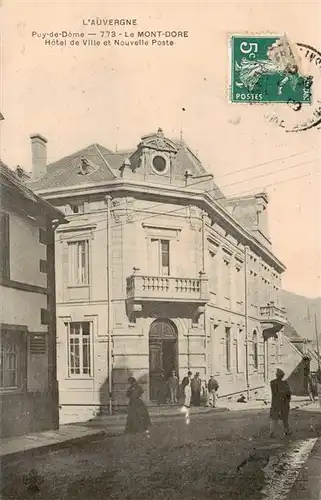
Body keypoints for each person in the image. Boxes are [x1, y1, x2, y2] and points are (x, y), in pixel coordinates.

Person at [269, 368, 292, 438]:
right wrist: (287, 399)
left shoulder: (272, 382)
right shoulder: (285, 383)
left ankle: (272, 432)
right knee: (285, 418)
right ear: (282, 376)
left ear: (276, 375)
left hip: (275, 403)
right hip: (284, 402)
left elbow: (275, 392)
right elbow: (289, 393)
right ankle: (286, 431)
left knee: (274, 418)